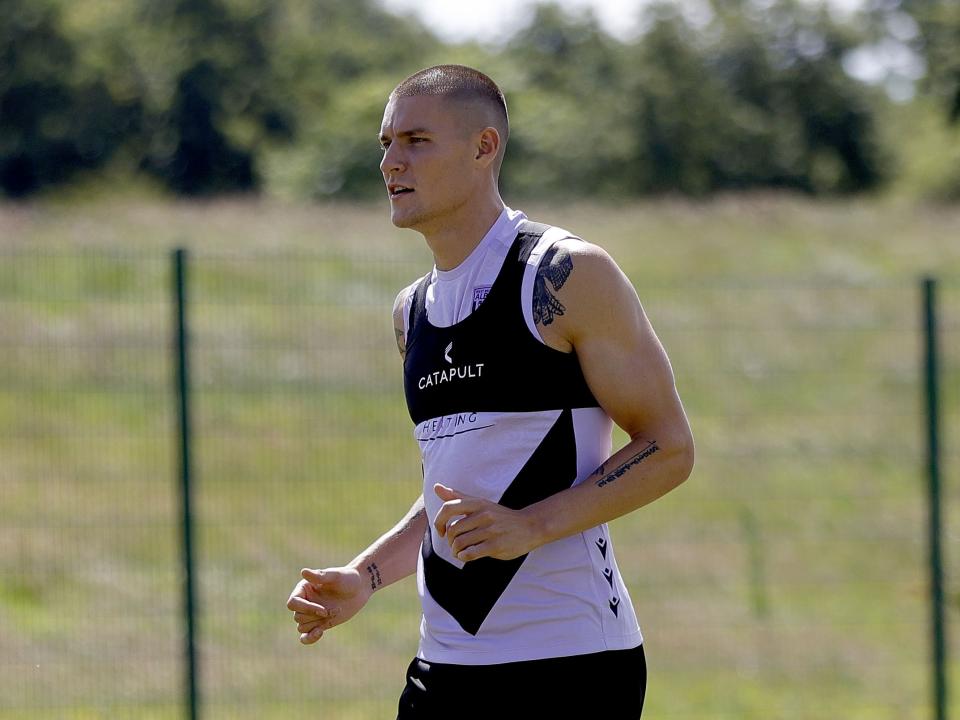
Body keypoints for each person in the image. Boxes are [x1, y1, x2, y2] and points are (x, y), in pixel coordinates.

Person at [287, 64, 694, 719]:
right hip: (444, 670)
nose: (392, 161)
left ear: (483, 148)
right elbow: (456, 495)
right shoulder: (409, 312)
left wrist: (530, 527)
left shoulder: (564, 275)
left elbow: (668, 448)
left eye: (416, 141)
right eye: (386, 143)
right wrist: (363, 576)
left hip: (571, 668)